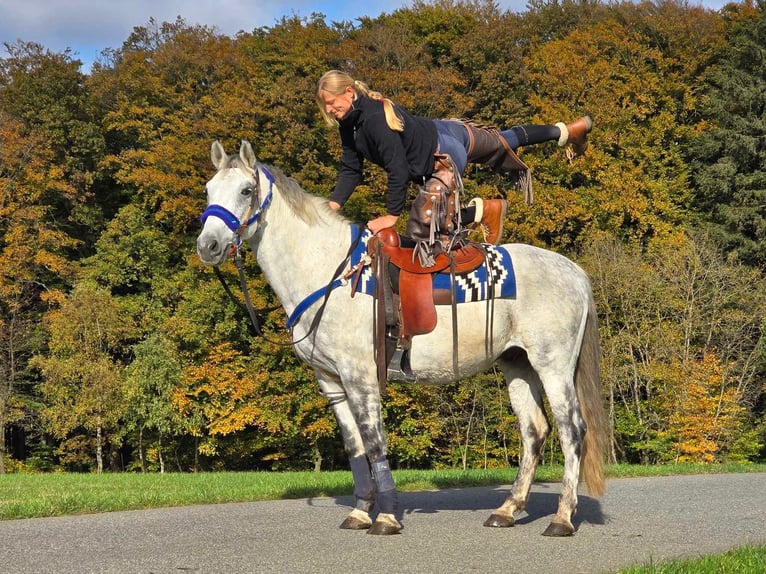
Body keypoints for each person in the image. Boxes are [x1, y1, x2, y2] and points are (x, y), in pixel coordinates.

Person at [315, 69, 592, 246]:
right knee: (505, 139)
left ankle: (485, 211)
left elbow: (397, 166)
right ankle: (566, 130)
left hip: (443, 155)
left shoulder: (374, 120)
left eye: (332, 102)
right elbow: (351, 168)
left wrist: (391, 214)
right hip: (447, 130)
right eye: (325, 106)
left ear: (349, 93)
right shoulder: (350, 125)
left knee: (424, 227)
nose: (329, 109)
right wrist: (334, 205)